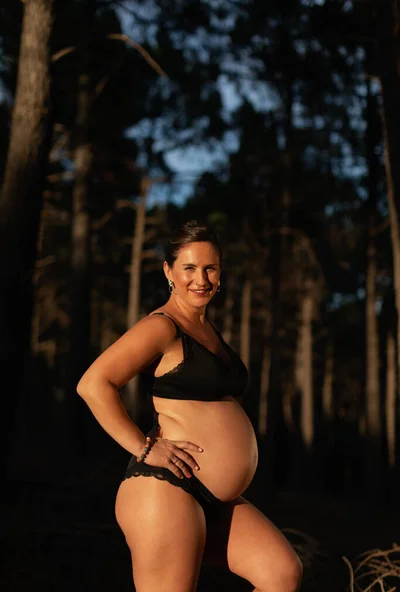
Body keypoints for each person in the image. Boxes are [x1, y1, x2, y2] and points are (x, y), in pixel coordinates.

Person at [77, 220, 302, 592]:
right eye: (189, 268)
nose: (201, 279)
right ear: (169, 271)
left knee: (281, 574)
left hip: (210, 496)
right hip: (165, 491)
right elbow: (93, 384)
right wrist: (144, 446)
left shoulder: (207, 328)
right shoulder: (162, 327)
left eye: (210, 268)